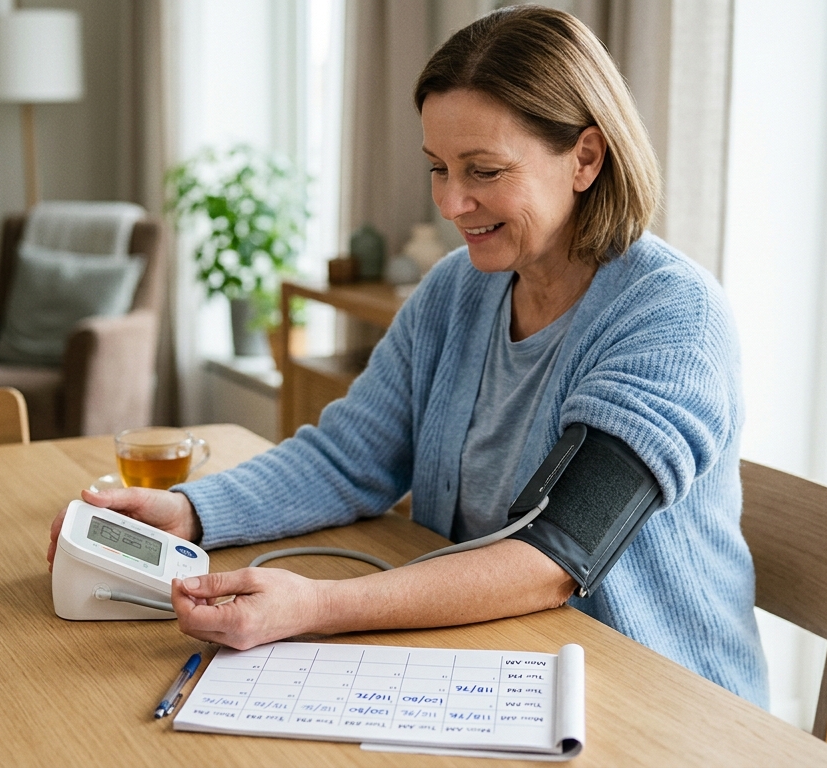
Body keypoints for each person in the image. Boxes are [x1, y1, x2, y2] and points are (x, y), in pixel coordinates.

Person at [48, 5, 768, 708]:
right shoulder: (458, 289)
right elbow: (347, 458)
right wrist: (189, 513)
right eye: (438, 168)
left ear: (584, 156)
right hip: (505, 666)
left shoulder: (671, 320)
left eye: (484, 170)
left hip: (667, 703)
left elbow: (556, 559)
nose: (451, 203)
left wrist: (317, 606)